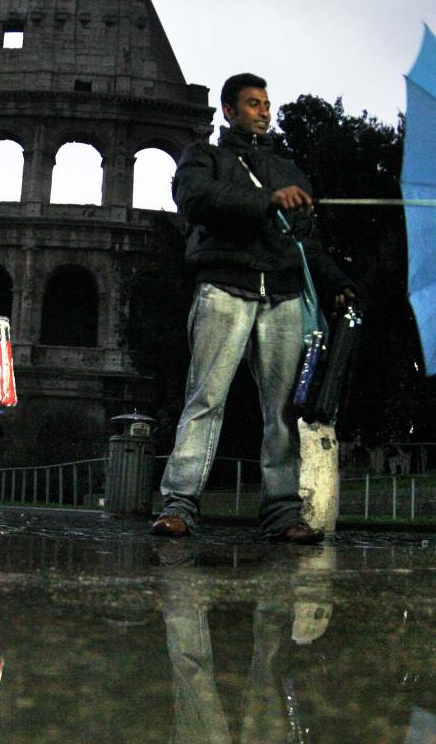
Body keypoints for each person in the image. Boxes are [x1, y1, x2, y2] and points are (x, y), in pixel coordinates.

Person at [151, 74, 357, 543]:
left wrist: (336, 283)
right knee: (205, 400)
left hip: (282, 296)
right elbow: (195, 199)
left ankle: (282, 514)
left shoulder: (289, 170)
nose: (264, 111)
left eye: (266, 104)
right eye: (252, 103)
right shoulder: (205, 157)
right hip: (224, 287)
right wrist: (266, 199)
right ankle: (180, 504)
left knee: (282, 412)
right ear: (229, 111)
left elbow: (307, 243)